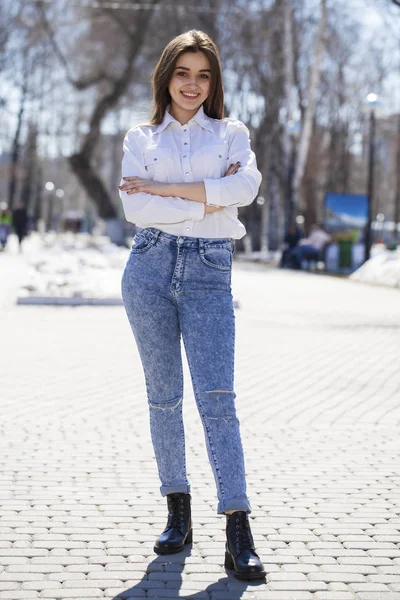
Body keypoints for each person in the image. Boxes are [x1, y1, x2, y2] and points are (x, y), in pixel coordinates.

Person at [119, 30, 265, 580]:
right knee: (163, 400)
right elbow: (135, 207)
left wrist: (171, 195)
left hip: (209, 272)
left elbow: (245, 190)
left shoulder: (232, 133)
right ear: (167, 76)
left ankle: (238, 527)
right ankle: (177, 513)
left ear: (214, 81)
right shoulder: (141, 135)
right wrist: (208, 194)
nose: (193, 84)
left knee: (218, 400)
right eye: (184, 72)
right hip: (148, 268)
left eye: (203, 74)